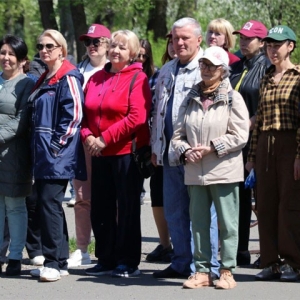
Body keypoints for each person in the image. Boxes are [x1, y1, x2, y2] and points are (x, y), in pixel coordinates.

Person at [171, 46, 249, 289]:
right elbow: (177, 135)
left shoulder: (232, 97)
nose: (205, 69)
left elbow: (240, 135)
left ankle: (227, 271)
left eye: (211, 66)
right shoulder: (190, 97)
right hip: (195, 171)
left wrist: (213, 147)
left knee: (227, 224)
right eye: (203, 65)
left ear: (223, 70)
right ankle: (202, 272)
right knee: (199, 223)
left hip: (224, 170)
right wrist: (185, 150)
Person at [151, 17, 220, 279]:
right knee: (174, 211)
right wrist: (157, 147)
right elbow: (158, 111)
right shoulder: (167, 69)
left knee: (202, 213)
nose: (179, 43)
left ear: (199, 40)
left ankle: (208, 266)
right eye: (175, 38)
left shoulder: (208, 69)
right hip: (170, 154)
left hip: (198, 154)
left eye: (185, 38)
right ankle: (181, 261)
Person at [81, 30, 151, 278]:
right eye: (113, 45)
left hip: (125, 153)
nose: (115, 51)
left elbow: (137, 117)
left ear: (132, 53)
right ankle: (106, 257)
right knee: (101, 207)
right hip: (98, 151)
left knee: (127, 207)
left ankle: (127, 260)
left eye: (122, 47)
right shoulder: (96, 78)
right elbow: (84, 114)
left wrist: (104, 139)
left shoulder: (137, 78)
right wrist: (88, 136)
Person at [29, 29, 84, 282]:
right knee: (50, 205)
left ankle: (51, 261)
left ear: (61, 49)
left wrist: (55, 146)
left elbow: (73, 117)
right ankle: (60, 260)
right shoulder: (45, 77)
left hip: (56, 154)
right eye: (40, 46)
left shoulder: (68, 76)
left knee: (48, 204)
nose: (44, 50)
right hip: (42, 154)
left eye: (49, 46)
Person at [246, 25, 300, 282]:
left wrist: (299, 154)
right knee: (265, 205)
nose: (271, 50)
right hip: (265, 143)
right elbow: (260, 120)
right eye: (268, 45)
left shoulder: (298, 76)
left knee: (289, 205)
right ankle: (270, 261)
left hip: (290, 143)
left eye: (277, 45)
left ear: (290, 46)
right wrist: (252, 157)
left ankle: (293, 261)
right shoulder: (266, 78)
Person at [67, 23, 111, 268]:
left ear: (107, 44)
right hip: (82, 141)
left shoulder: (112, 70)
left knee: (110, 198)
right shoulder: (76, 71)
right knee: (82, 197)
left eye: (97, 42)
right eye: (88, 42)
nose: (91, 47)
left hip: (108, 142)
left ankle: (111, 246)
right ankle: (82, 249)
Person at [230, 20, 270, 266]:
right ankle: (240, 249)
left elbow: (265, 105)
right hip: (235, 144)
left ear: (262, 42)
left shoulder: (266, 66)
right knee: (239, 199)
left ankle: (269, 252)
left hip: (256, 140)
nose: (244, 42)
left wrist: (246, 125)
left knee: (262, 199)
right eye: (241, 38)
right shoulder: (237, 65)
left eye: (249, 38)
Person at [0, 35, 35, 275]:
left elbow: (20, 121)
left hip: (14, 155)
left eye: (11, 54)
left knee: (14, 206)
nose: (6, 58)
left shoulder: (27, 84)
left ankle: (14, 257)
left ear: (22, 59)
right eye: (3, 53)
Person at [146, 34, 175, 263]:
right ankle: (165, 244)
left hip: (182, 148)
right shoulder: (161, 73)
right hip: (159, 145)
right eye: (171, 41)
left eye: (180, 40)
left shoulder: (199, 68)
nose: (175, 45)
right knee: (158, 195)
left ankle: (184, 246)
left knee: (180, 198)